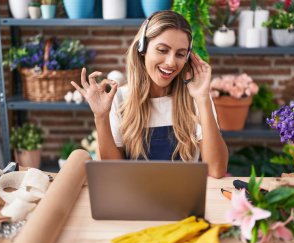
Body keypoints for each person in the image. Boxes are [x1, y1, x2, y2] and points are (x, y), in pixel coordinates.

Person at [71, 10, 228, 178]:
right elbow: (114, 173)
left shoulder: (196, 98)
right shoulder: (120, 98)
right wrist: (101, 117)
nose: (171, 62)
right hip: (134, 200)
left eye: (180, 54)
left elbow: (216, 170)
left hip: (183, 201)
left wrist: (203, 98)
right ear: (142, 48)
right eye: (162, 50)